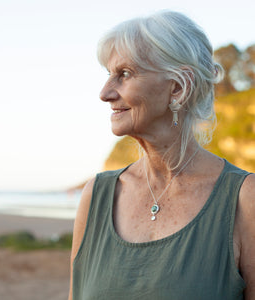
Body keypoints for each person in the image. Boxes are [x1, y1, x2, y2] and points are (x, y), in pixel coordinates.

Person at [68, 10, 255, 300]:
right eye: (109, 75)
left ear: (178, 88)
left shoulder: (244, 200)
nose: (105, 93)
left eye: (124, 74)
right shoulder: (96, 196)